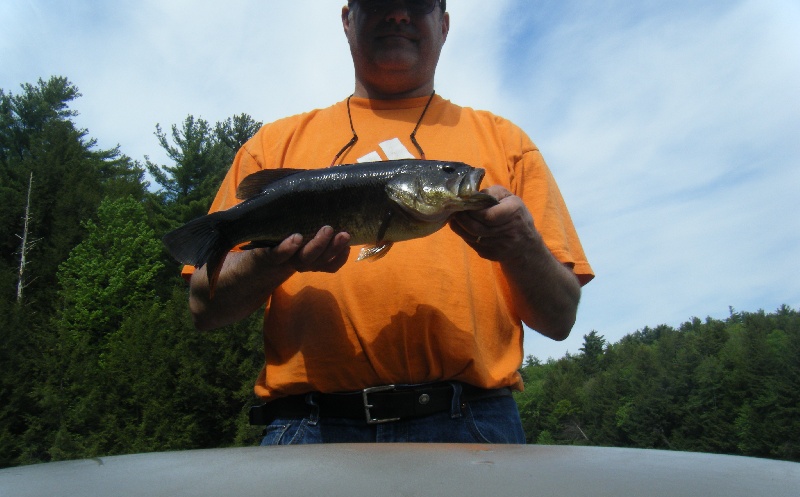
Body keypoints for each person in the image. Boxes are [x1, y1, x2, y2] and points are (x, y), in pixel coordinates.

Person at [183, 0, 594, 444]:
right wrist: (274, 260)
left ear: (443, 23)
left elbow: (560, 320)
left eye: (417, 5)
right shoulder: (271, 146)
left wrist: (523, 245)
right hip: (309, 428)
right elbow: (204, 308)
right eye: (379, 3)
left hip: (472, 424)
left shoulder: (509, 144)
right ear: (347, 19)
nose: (398, 15)